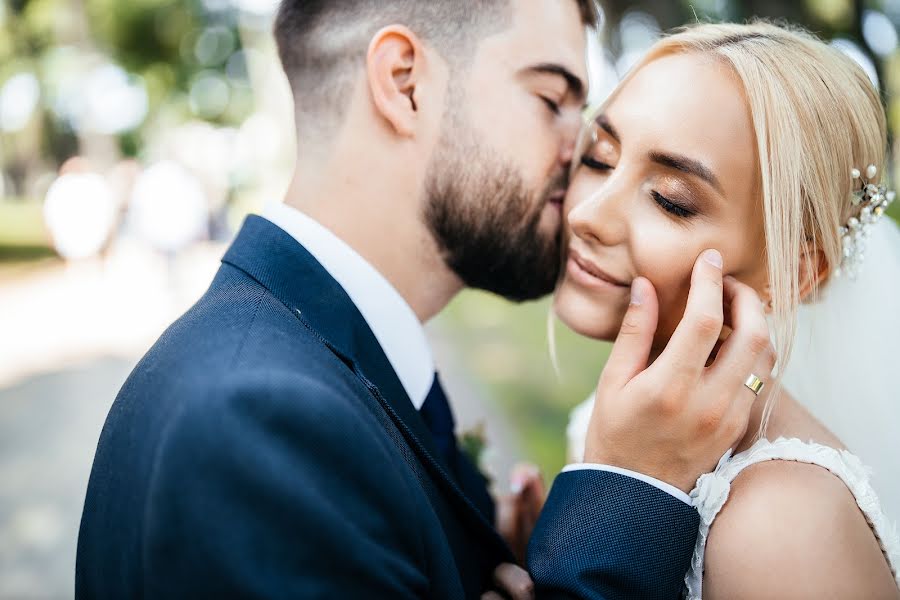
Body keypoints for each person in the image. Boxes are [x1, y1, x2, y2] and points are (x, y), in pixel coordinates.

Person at [76, 2, 775, 598]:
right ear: (405, 83)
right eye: (553, 99)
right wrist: (627, 496)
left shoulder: (310, 366)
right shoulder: (256, 430)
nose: (583, 148)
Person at [559, 21, 900, 599]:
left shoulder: (781, 528)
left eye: (671, 200)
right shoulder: (628, 419)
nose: (587, 214)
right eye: (600, 158)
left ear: (794, 273)